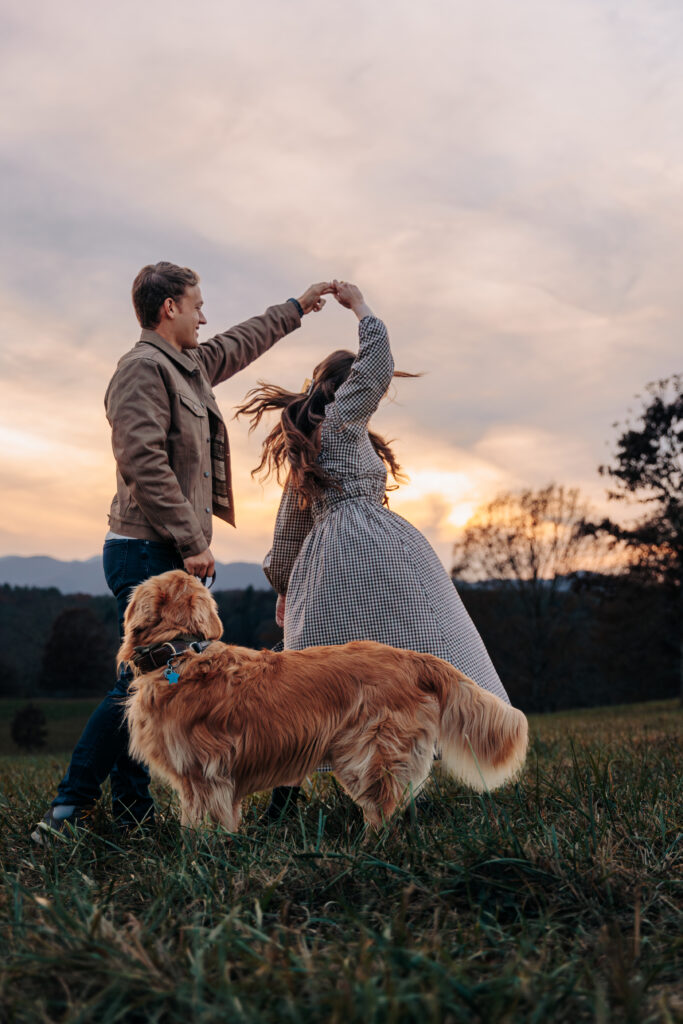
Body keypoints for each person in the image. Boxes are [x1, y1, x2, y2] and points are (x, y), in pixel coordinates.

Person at [32, 262, 333, 842]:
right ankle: (68, 811)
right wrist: (193, 541)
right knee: (138, 688)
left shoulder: (188, 365)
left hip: (164, 552)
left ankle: (132, 815)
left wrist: (298, 306)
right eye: (197, 304)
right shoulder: (142, 371)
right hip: (146, 552)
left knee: (152, 692)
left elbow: (240, 342)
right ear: (168, 307)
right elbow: (142, 460)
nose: (204, 314)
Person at [237, 281, 511, 818]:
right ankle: (415, 777)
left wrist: (286, 590)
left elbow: (288, 532)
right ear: (347, 389)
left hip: (325, 566)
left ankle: (286, 802)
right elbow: (379, 360)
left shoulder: (310, 444)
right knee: (424, 650)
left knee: (309, 683)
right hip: (376, 554)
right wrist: (360, 307)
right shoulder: (344, 418)